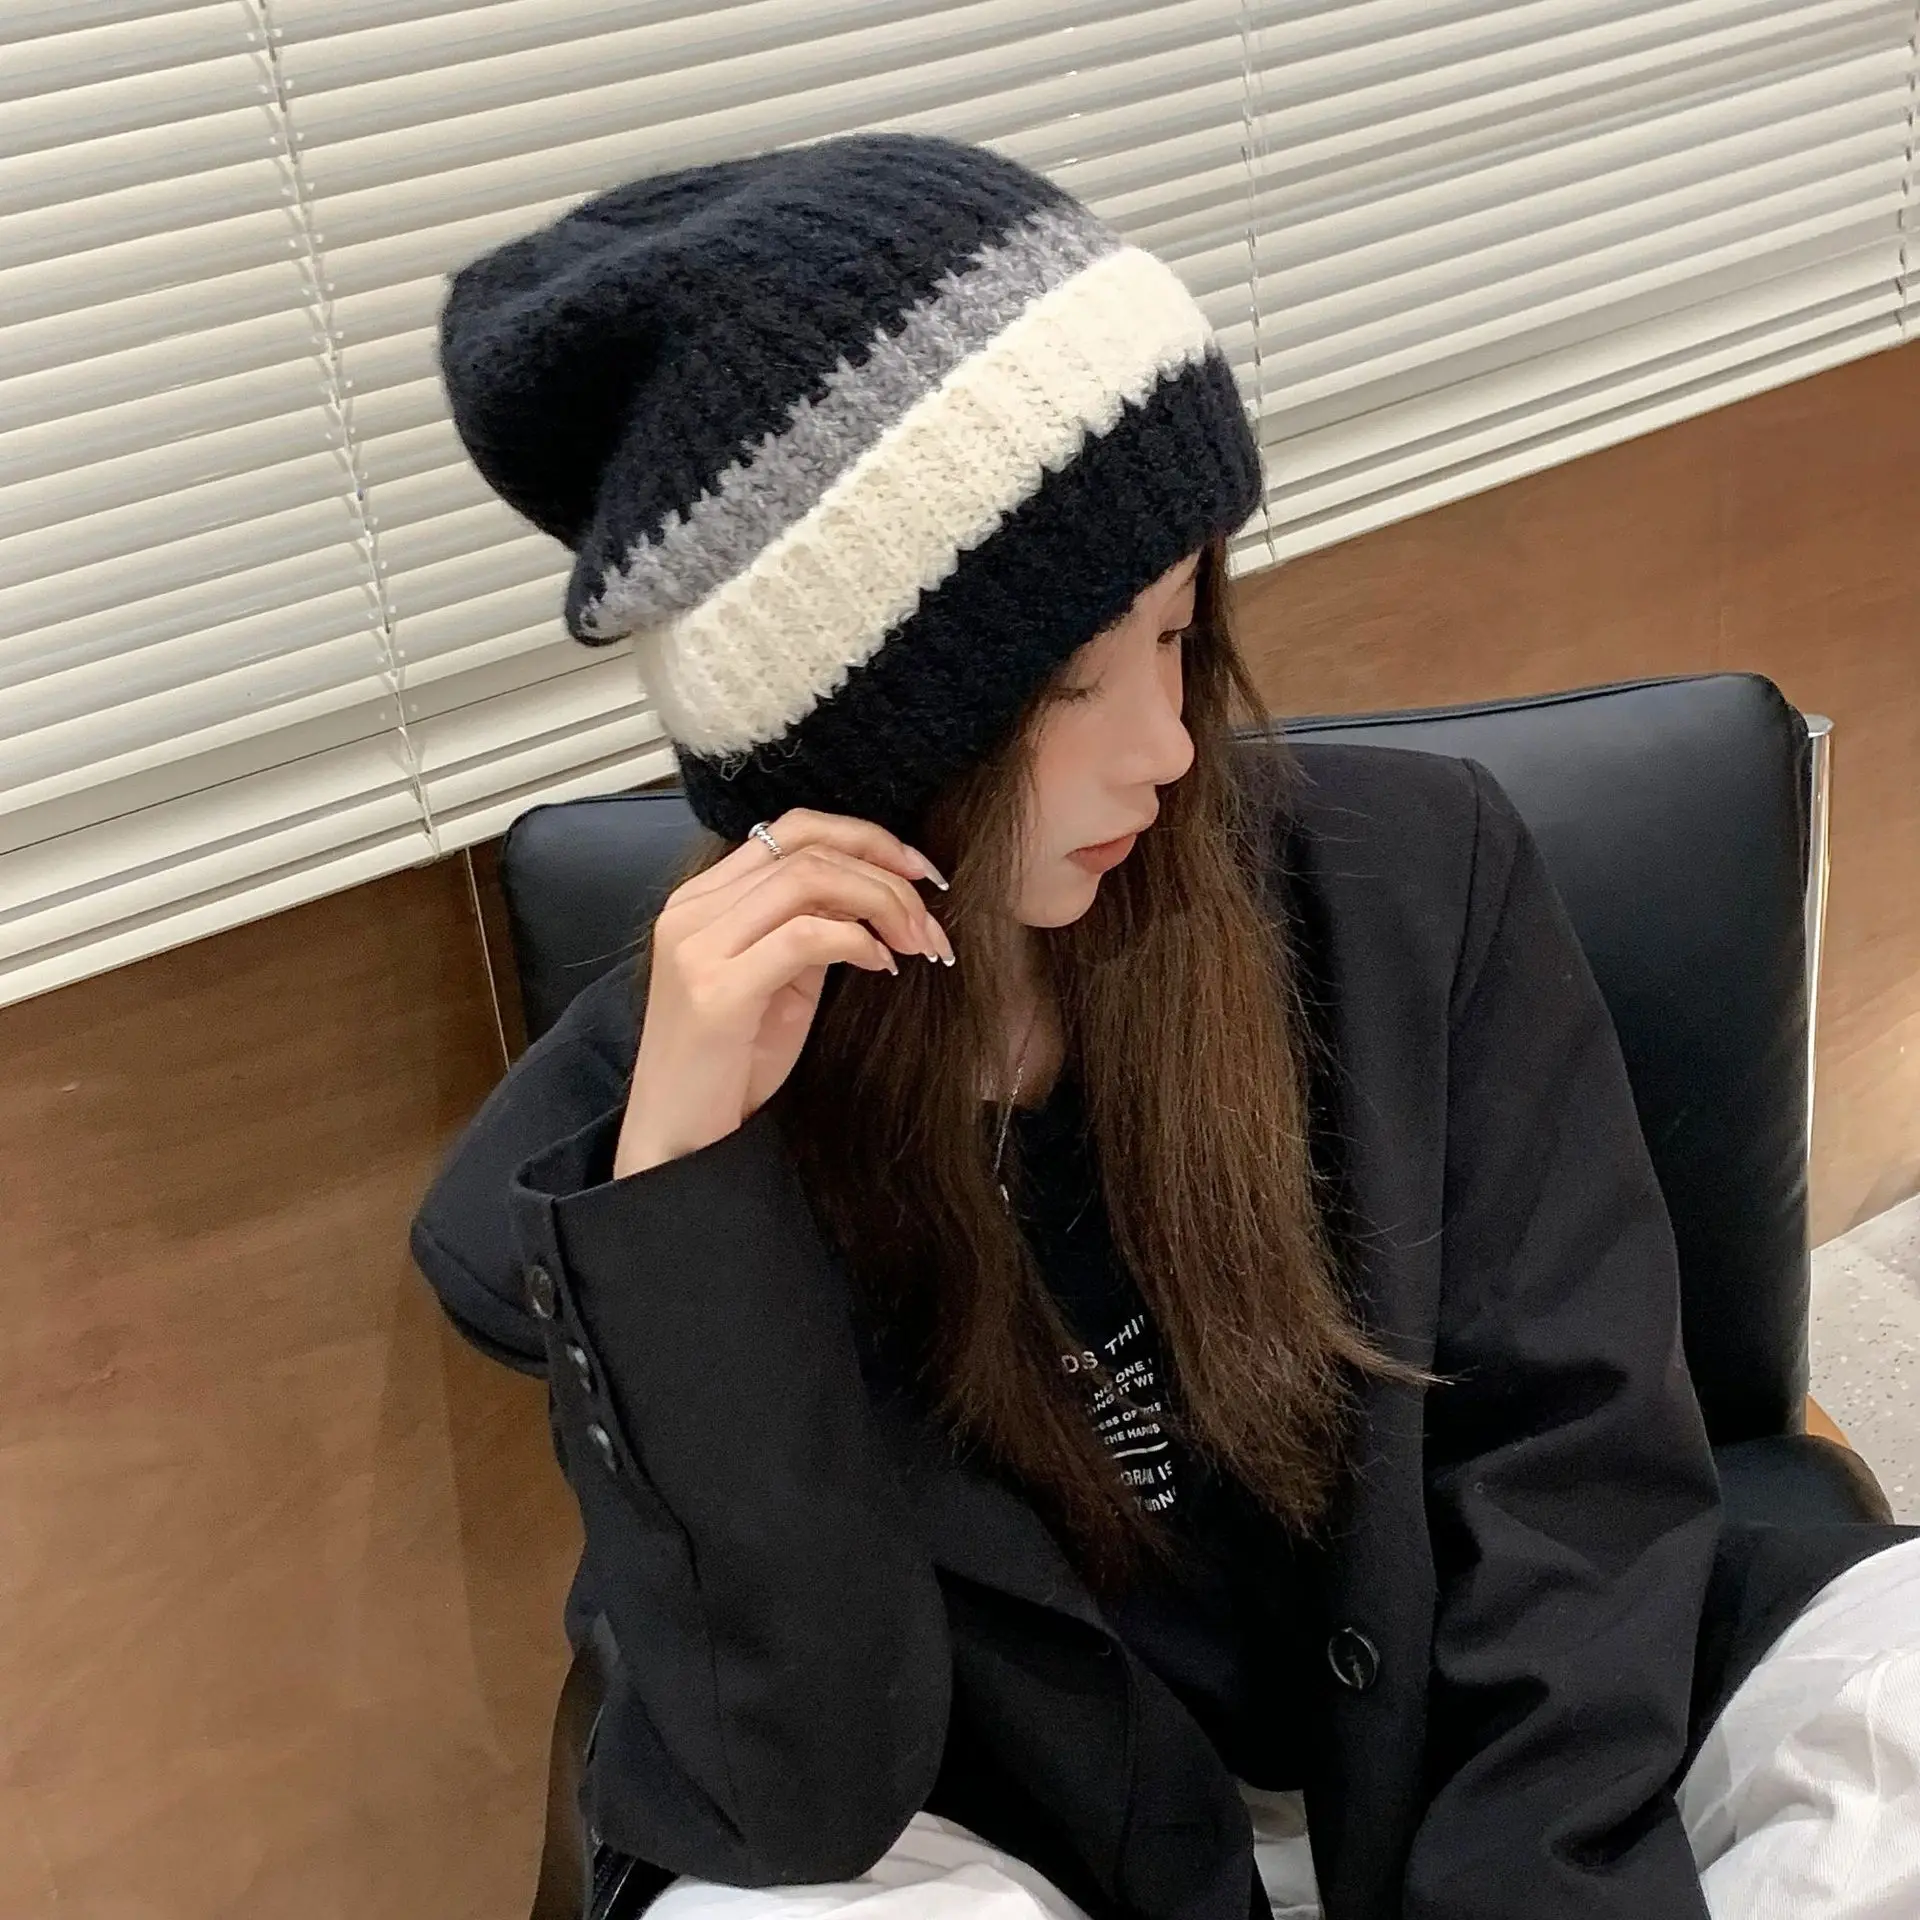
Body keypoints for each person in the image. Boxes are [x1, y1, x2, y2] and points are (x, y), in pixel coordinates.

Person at [411, 131, 1920, 1920]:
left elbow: (1569, 1473)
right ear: (859, 739)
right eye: (1072, 685)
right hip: (1034, 1833)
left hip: (1488, 1744)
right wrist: (691, 1202)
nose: (1166, 745)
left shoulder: (1406, 890)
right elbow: (795, 1787)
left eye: (1178, 631)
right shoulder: (648, 1140)